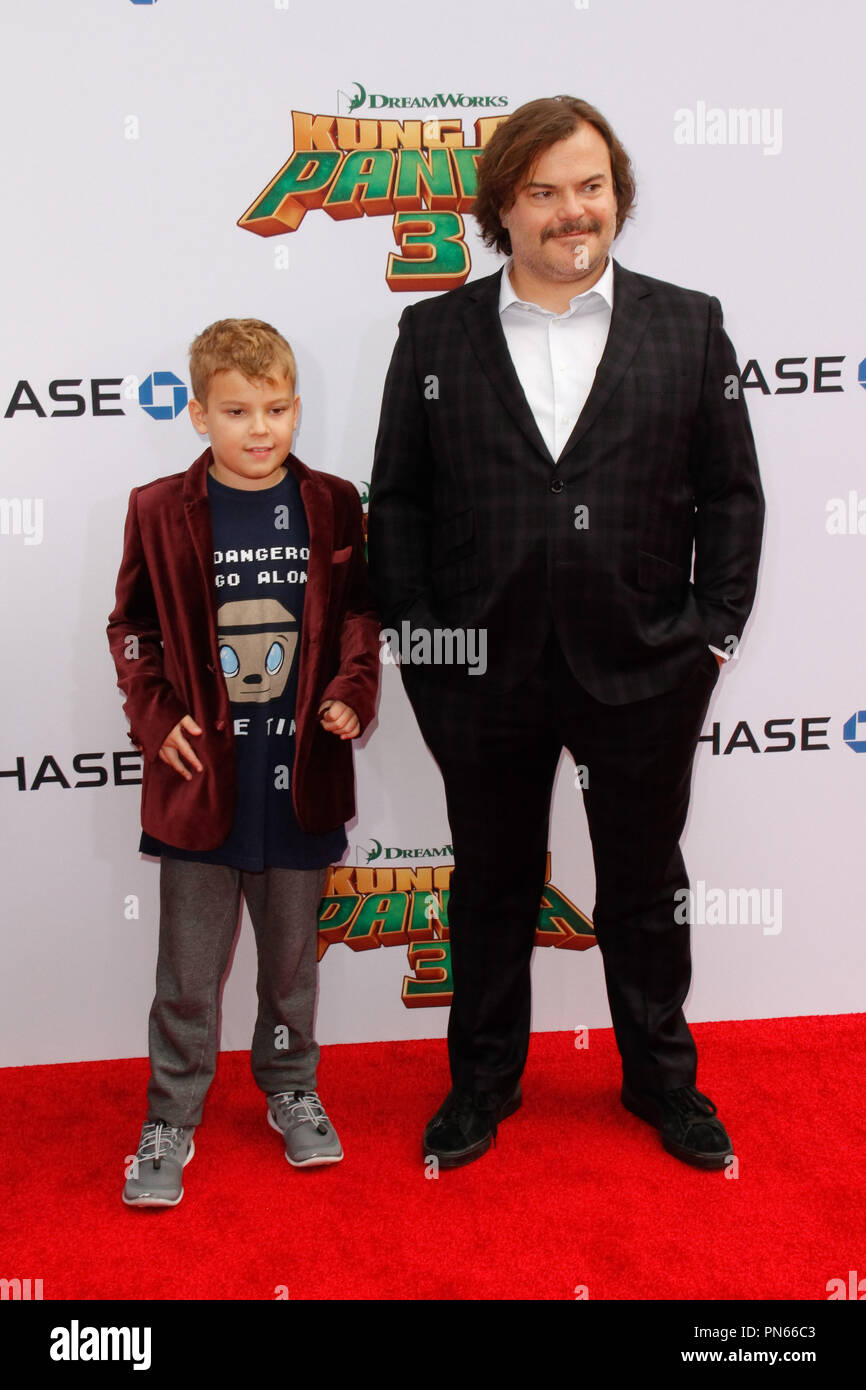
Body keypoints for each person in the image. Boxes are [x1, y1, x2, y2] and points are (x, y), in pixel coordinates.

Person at [368, 97, 764, 1171]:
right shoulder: (435, 331)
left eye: (587, 186)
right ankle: (480, 1087)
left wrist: (710, 632)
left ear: (617, 195)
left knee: (642, 886)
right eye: (540, 191)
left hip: (642, 666)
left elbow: (730, 495)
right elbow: (396, 502)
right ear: (502, 205)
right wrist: (420, 644)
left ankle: (661, 1085)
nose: (568, 211)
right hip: (478, 674)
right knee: (489, 885)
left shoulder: (686, 323)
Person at [108, 318, 379, 1205]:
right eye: (235, 410)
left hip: (299, 781)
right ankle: (170, 1118)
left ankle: (291, 1086)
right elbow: (134, 631)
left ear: (297, 408)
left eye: (274, 408)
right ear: (197, 415)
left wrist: (353, 689)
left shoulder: (336, 503)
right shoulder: (156, 508)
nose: (258, 429)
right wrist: (155, 718)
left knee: (292, 963)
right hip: (198, 789)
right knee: (187, 972)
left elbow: (357, 620)